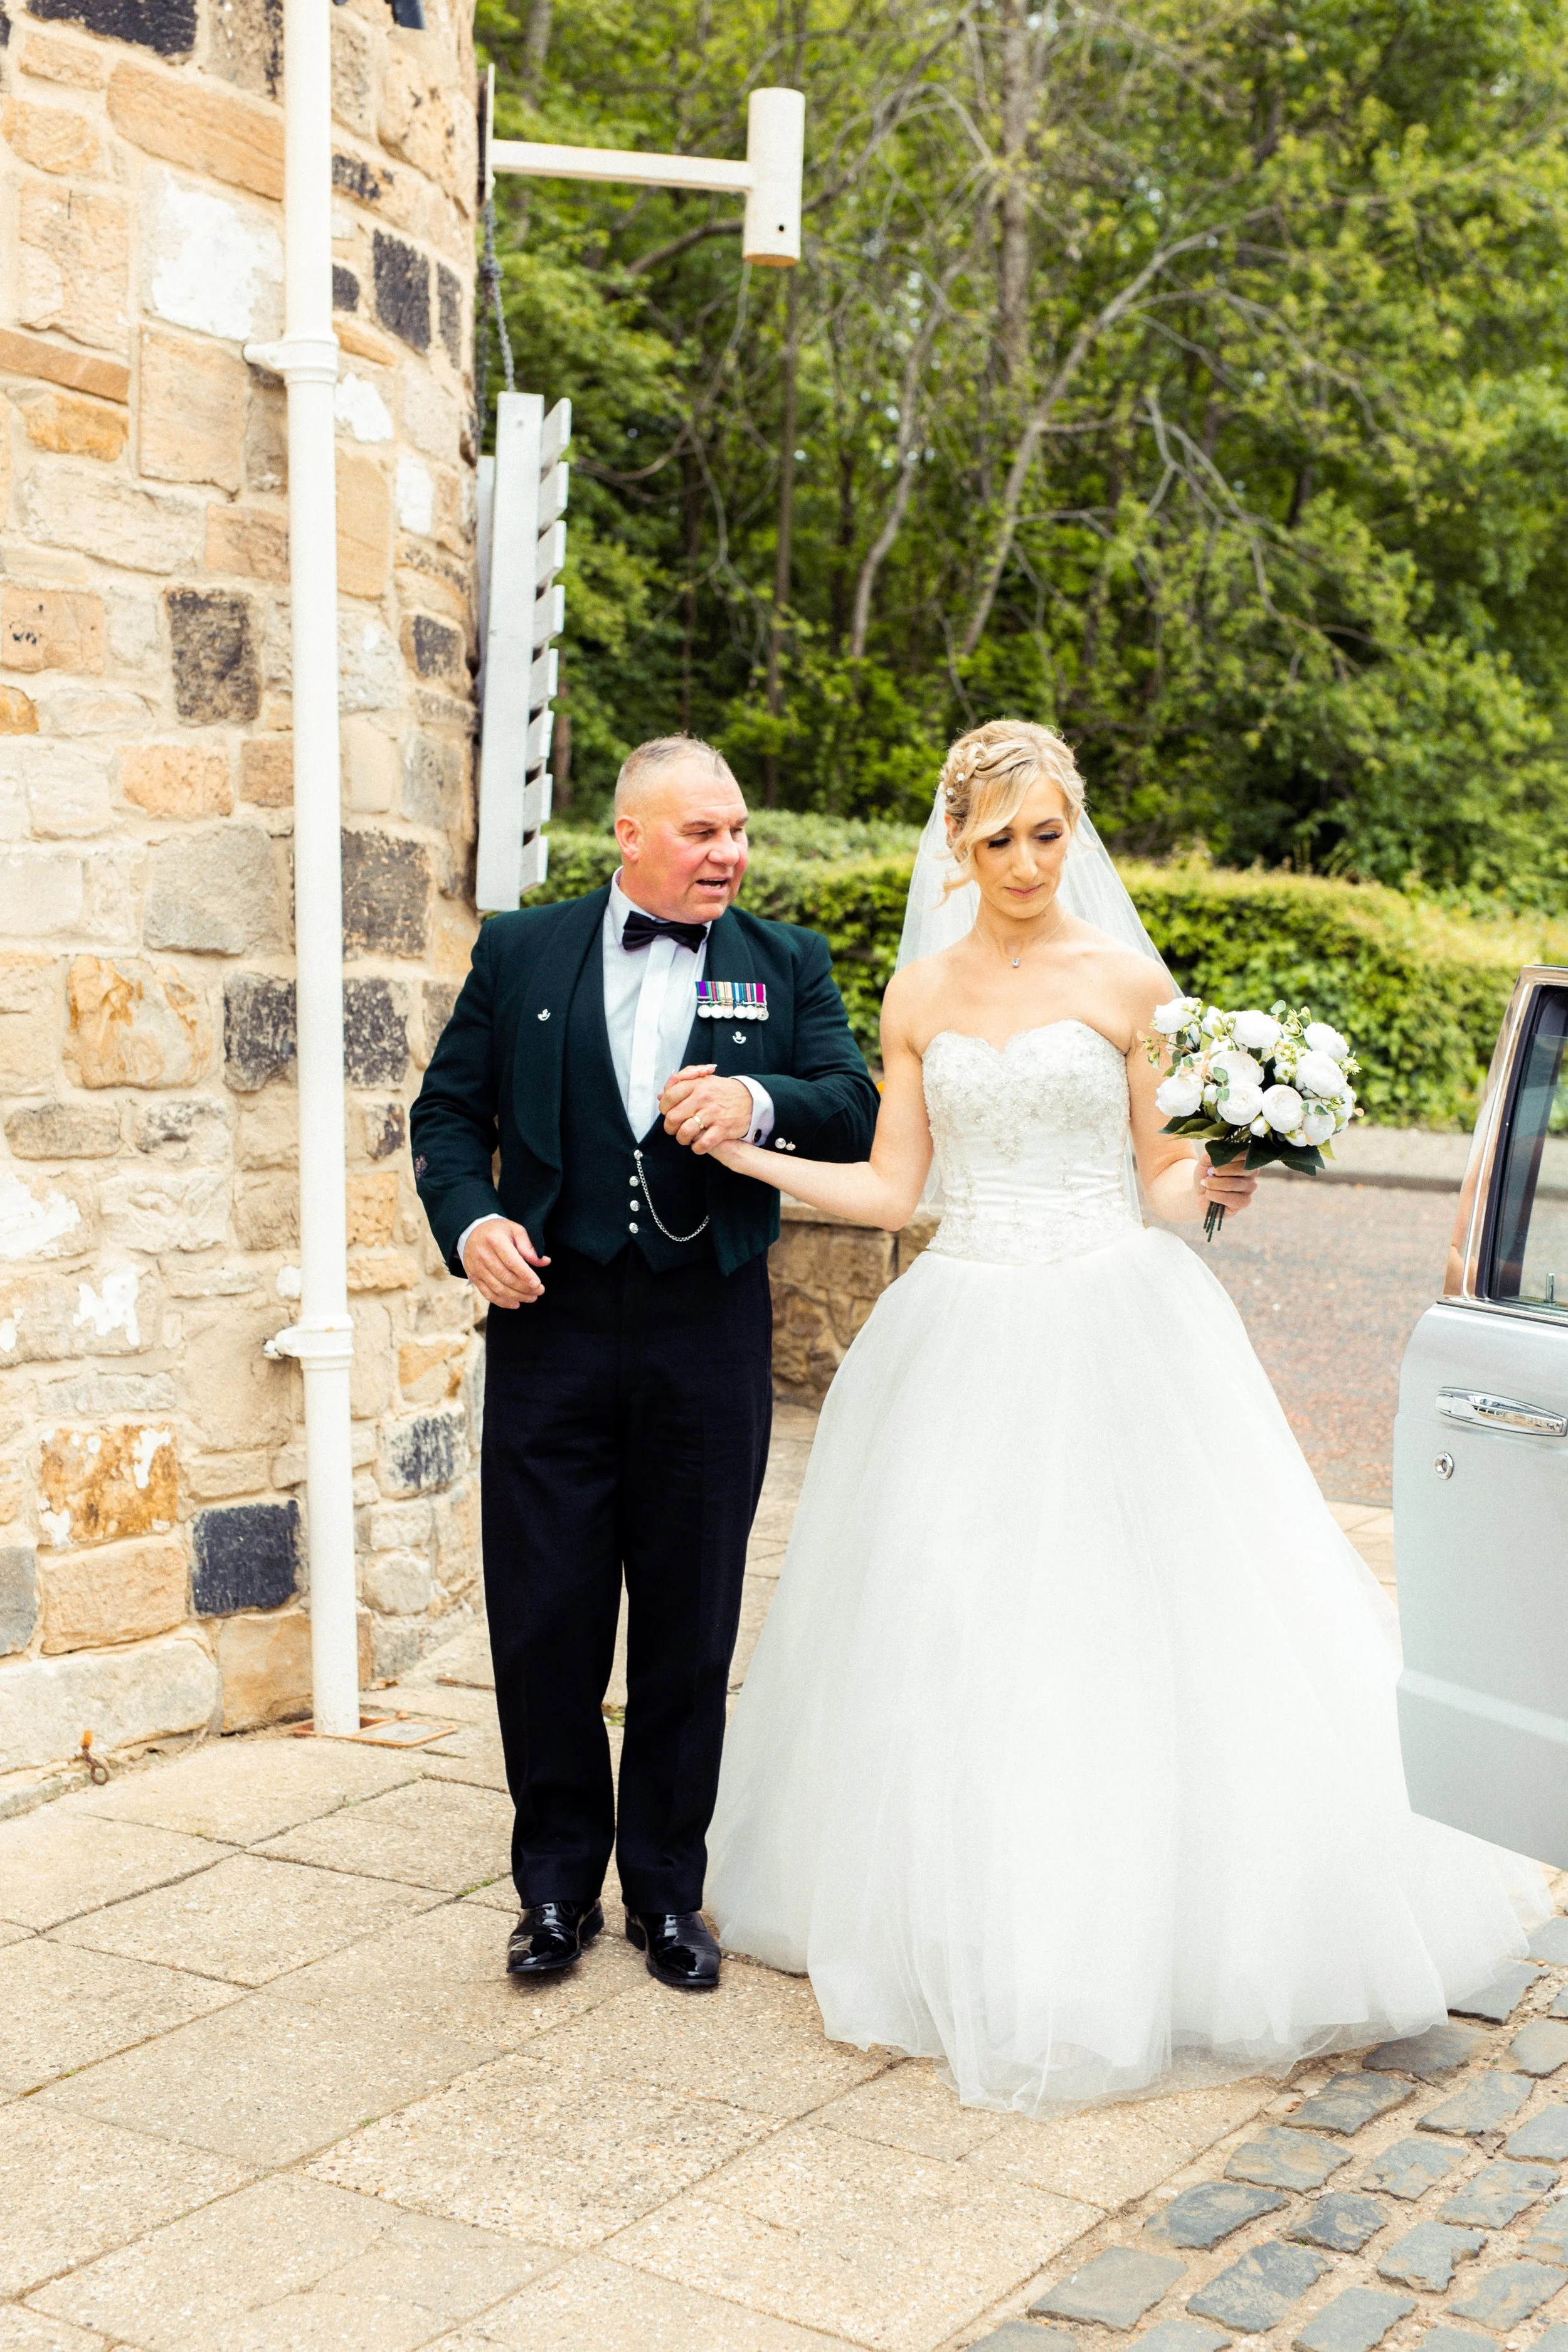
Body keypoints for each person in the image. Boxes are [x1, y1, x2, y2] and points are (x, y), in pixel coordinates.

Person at [687, 718, 1547, 2110]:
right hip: (962, 1322)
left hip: (1114, 1313)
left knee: (1146, 1617)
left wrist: (1211, 1182)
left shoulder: (1126, 979)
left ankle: (1166, 1927)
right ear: (954, 845)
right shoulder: (914, 996)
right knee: (956, 1623)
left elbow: (1156, 1178)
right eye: (998, 838)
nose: (1027, 861)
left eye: (1048, 833)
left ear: (1071, 830)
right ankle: (972, 1921)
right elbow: (900, 1192)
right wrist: (751, 1154)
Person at [410, 736, 879, 1993]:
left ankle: (669, 1894)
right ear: (628, 834)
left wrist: (758, 1103)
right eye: (700, 832)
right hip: (550, 1326)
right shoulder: (519, 952)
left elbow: (853, 1099)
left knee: (687, 1623)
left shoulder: (787, 962)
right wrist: (468, 1222)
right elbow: (449, 1114)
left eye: (735, 832)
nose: (727, 853)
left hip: (706, 1331)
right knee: (546, 1616)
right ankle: (554, 1888)